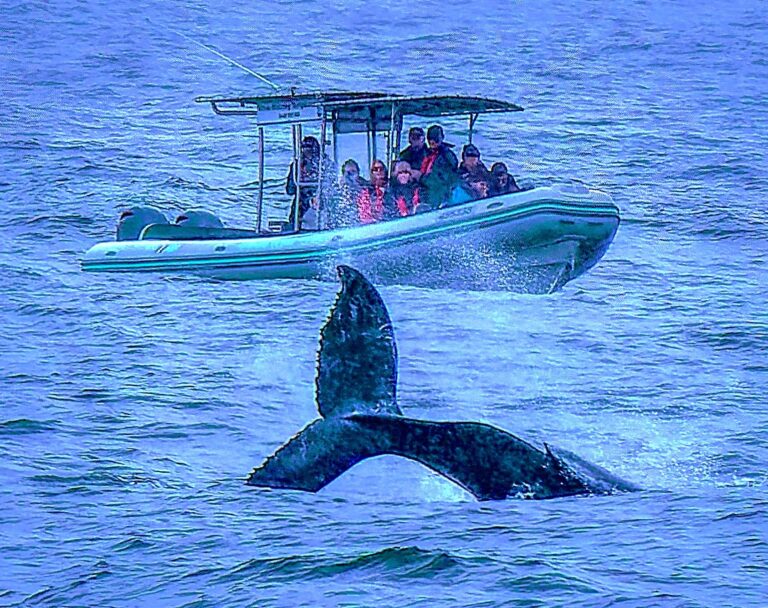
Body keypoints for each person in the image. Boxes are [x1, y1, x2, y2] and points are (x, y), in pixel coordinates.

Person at [285, 136, 337, 229]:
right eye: (304, 148)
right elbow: (290, 190)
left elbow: (332, 186)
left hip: (321, 204)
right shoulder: (297, 165)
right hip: (301, 207)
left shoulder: (326, 164)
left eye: (309, 148)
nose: (306, 151)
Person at [418, 124, 459, 211]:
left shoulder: (447, 156)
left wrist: (422, 178)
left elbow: (445, 177)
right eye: (430, 139)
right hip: (426, 188)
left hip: (439, 190)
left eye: (435, 139)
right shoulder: (427, 153)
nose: (432, 142)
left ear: (442, 138)